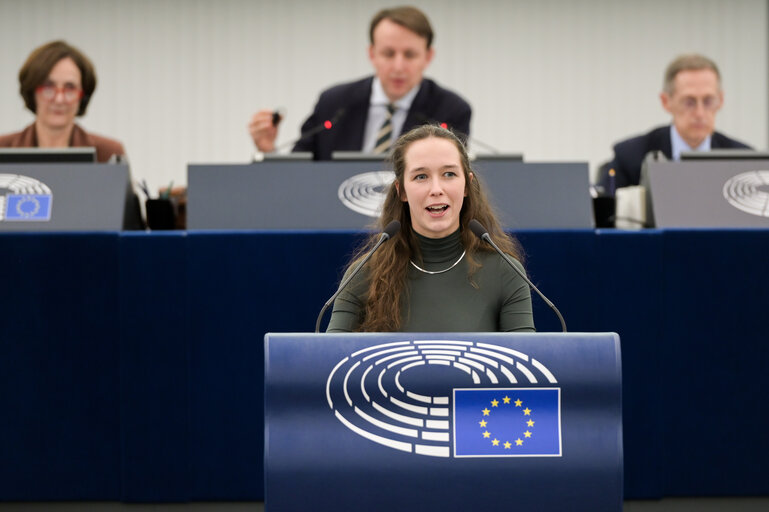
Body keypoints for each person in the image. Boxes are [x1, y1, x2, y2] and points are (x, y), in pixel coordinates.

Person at [326, 125, 534, 333]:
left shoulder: (505, 271)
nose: (436, 190)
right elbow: (329, 361)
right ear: (402, 191)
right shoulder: (363, 275)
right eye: (421, 177)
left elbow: (524, 362)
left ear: (467, 185)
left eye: (449, 174)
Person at [248, 6, 472, 160]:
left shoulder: (450, 110)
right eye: (388, 53)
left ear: (428, 57)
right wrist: (269, 151)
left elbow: (452, 180)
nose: (398, 66)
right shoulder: (334, 103)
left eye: (410, 55)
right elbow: (301, 171)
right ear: (372, 54)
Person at [598, 54, 750, 190]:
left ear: (721, 101)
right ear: (666, 102)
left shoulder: (744, 160)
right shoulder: (631, 156)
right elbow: (602, 216)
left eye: (708, 101)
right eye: (689, 102)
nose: (699, 113)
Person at [0, 40, 125, 163]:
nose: (59, 99)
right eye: (48, 87)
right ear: (32, 92)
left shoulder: (108, 154)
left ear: (83, 95)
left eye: (70, 88)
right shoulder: (3, 148)